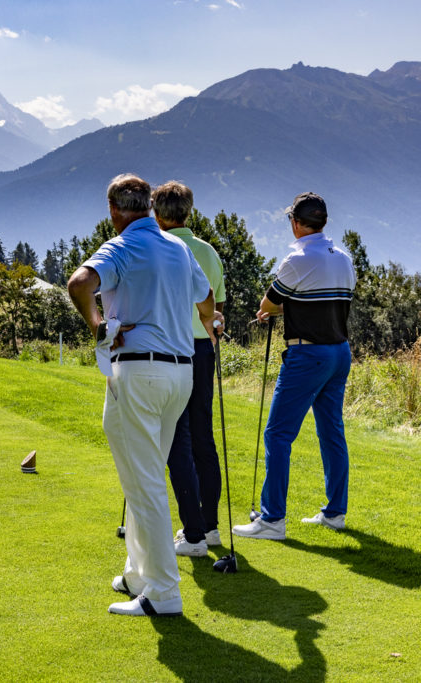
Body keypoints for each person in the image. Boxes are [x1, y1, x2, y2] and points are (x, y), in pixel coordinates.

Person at [68, 174, 223, 617]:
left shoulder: (121, 246)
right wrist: (210, 325)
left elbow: (80, 284)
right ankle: (138, 571)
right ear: (150, 209)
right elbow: (207, 299)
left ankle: (163, 592)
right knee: (143, 472)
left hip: (139, 372)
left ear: (115, 211)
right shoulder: (178, 247)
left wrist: (98, 326)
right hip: (180, 374)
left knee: (147, 480)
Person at [233, 192, 355, 540]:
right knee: (332, 432)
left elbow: (268, 303)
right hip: (339, 353)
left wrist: (273, 310)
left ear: (297, 223)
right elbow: (326, 303)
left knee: (278, 433)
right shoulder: (344, 258)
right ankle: (335, 513)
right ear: (324, 221)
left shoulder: (297, 258)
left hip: (308, 356)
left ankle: (272, 520)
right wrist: (289, 309)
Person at [152, 182, 227, 557]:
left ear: (157, 214)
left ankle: (193, 531)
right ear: (189, 211)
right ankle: (210, 526)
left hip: (172, 350)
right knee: (202, 436)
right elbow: (217, 309)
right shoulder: (208, 252)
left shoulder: (160, 247)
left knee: (177, 439)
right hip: (203, 349)